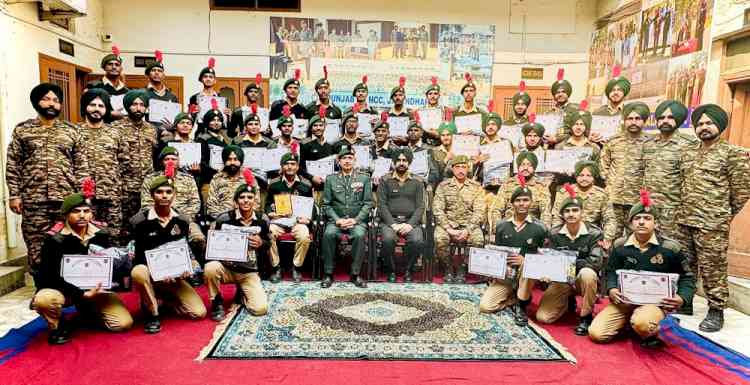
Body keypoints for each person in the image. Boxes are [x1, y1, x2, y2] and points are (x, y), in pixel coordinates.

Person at [674, 104, 750, 331]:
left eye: (709, 123)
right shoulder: (688, 152)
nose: (704, 127)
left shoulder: (733, 154)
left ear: (720, 125)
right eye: (700, 124)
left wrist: (720, 214)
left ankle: (716, 310)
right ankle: (685, 301)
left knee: (713, 268)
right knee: (685, 265)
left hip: (712, 223)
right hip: (685, 219)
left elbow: (742, 192)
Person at [589, 190, 694, 348]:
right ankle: (628, 323)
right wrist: (611, 289)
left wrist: (681, 298)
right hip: (625, 302)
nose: (642, 222)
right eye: (637, 218)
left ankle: (646, 330)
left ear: (656, 223)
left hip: (654, 303)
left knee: (643, 323)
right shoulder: (620, 246)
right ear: (631, 224)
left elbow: (687, 276)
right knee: (597, 334)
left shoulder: (670, 248)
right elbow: (610, 271)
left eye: (647, 218)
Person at [32, 188, 133, 344]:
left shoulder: (101, 234)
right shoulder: (54, 240)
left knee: (123, 323)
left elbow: (108, 263)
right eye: (76, 211)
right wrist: (80, 294)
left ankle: (88, 312)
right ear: (65, 214)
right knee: (44, 300)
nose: (82, 215)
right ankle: (57, 326)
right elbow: (48, 276)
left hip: (96, 289)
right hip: (65, 290)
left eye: (86, 211)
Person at [6, 83, 89, 274]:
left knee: (67, 242)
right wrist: (14, 195)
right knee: (36, 245)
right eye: (46, 99)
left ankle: (66, 288)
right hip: (34, 199)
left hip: (66, 200)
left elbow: (81, 165)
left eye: (56, 100)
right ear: (36, 102)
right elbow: (13, 164)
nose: (51, 104)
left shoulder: (71, 130)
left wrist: (83, 197)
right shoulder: (23, 130)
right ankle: (41, 288)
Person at [129, 171, 207, 334]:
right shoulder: (139, 221)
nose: (164, 196)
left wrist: (186, 269)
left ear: (174, 195)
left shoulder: (183, 220)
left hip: (175, 276)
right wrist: (158, 272)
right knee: (138, 271)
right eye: (159, 192)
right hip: (150, 274)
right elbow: (136, 256)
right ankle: (152, 313)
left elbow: (184, 249)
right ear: (152, 195)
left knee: (199, 313)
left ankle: (167, 301)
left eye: (168, 192)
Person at [532, 184, 605, 335]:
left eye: (575, 210)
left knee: (588, 274)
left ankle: (585, 316)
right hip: (561, 281)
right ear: (562, 215)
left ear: (582, 213)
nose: (571, 214)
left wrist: (567, 263)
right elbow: (549, 259)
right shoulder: (554, 234)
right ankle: (567, 300)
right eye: (567, 211)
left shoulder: (594, 233)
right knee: (543, 317)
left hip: (581, 280)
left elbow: (595, 263)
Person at [480, 175, 547, 326]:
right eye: (518, 200)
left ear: (531, 203)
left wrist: (525, 260)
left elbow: (543, 258)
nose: (522, 204)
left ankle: (522, 305)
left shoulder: (540, 228)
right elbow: (498, 253)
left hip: (526, 276)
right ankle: (513, 298)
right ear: (512, 204)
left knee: (528, 264)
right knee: (486, 307)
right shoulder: (502, 226)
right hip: (506, 276)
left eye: (525, 200)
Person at [206, 175, 269, 321]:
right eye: (242, 197)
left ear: (255, 201)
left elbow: (269, 242)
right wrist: (221, 255)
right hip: (226, 268)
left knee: (260, 309)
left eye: (249, 197)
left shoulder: (263, 219)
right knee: (210, 268)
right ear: (235, 202)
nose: (246, 200)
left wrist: (262, 243)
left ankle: (242, 293)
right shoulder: (223, 219)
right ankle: (216, 301)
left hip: (249, 270)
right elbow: (211, 246)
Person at [77, 89, 130, 243]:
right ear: (85, 107)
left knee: (113, 234)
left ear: (106, 109)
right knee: (85, 234)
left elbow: (124, 161)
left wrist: (113, 180)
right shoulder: (74, 132)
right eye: (92, 105)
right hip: (83, 195)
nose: (96, 109)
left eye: (101, 106)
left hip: (111, 193)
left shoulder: (115, 133)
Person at [642, 100, 699, 241]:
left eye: (670, 117)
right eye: (661, 118)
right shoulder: (648, 144)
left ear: (679, 119)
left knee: (671, 250)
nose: (665, 121)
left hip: (674, 210)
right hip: (649, 208)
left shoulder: (690, 144)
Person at [321, 145, 373, 288]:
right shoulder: (331, 179)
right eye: (344, 158)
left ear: (354, 160)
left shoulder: (364, 178)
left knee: (359, 235)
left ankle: (355, 274)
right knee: (328, 234)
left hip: (356, 221)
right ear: (338, 161)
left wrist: (355, 220)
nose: (347, 161)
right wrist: (337, 220)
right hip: (336, 220)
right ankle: (328, 273)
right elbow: (326, 205)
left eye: (350, 158)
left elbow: (368, 204)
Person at [432, 155, 485, 283]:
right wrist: (449, 229)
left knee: (478, 240)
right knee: (440, 239)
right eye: (457, 167)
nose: (461, 170)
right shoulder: (443, 186)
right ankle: (448, 267)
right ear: (452, 169)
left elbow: (479, 211)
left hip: (469, 224)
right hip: (448, 224)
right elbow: (438, 209)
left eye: (464, 167)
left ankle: (463, 267)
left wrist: (467, 230)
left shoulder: (476, 187)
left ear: (468, 169)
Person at [599, 102, 648, 239]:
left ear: (644, 121)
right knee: (612, 236)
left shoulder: (650, 143)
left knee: (637, 237)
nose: (633, 122)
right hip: (614, 199)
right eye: (630, 119)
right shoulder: (613, 141)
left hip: (638, 200)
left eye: (637, 119)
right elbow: (603, 167)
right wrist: (611, 185)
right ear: (624, 121)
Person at [266, 146, 314, 283]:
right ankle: (276, 267)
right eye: (286, 164)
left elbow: (312, 207)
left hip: (297, 222)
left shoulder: (306, 185)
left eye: (293, 164)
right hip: (279, 221)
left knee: (304, 236)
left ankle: (296, 267)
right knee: (269, 234)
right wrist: (271, 213)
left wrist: (308, 219)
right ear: (281, 167)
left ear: (298, 167)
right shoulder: (274, 184)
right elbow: (266, 205)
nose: (290, 167)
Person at [378, 148, 425, 282]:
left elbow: (421, 206)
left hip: (411, 222)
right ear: (393, 162)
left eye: (404, 160)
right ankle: (391, 270)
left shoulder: (417, 181)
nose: (401, 163)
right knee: (387, 240)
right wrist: (393, 224)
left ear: (409, 162)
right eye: (398, 160)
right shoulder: (385, 180)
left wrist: (410, 225)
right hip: (390, 221)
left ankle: (408, 270)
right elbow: (382, 205)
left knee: (417, 241)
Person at [115, 89, 157, 240]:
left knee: (146, 224)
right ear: (127, 106)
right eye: (134, 104)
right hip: (124, 186)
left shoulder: (151, 129)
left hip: (146, 185)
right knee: (125, 226)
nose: (138, 108)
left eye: (141, 104)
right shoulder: (116, 128)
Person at [552, 160, 616, 245]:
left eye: (588, 175)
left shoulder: (601, 195)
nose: (584, 179)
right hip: (568, 233)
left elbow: (610, 219)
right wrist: (557, 236)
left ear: (594, 177)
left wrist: (607, 238)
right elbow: (557, 217)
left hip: (592, 235)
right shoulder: (564, 193)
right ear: (576, 176)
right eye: (581, 175)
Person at [491, 151, 551, 232]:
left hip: (532, 228)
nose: (525, 168)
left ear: (534, 168)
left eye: (529, 165)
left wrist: (544, 232)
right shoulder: (508, 184)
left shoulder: (541, 187)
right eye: (523, 164)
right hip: (508, 227)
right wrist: (498, 229)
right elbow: (496, 209)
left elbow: (545, 213)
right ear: (518, 167)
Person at [474, 102, 515, 194]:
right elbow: (470, 166)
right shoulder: (478, 143)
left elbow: (512, 166)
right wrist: (478, 161)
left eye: (493, 124)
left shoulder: (506, 143)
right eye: (487, 124)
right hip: (482, 186)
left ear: (498, 126)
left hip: (503, 186)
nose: (490, 127)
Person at [206, 145, 253, 220]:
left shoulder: (248, 178)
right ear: (224, 161)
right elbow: (211, 205)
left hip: (246, 220)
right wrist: (224, 218)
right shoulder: (217, 179)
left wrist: (243, 218)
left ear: (241, 161)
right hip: (221, 219)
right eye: (229, 159)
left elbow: (256, 203)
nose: (232, 162)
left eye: (235, 159)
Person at [87, 46, 128, 120]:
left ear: (121, 68)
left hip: (123, 128)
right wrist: (110, 113)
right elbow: (87, 109)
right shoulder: (94, 86)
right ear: (104, 67)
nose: (114, 67)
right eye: (110, 64)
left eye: (117, 65)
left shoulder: (126, 90)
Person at [300, 106, 335, 194]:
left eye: (320, 125)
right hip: (310, 185)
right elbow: (300, 167)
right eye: (315, 125)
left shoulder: (330, 144)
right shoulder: (304, 144)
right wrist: (312, 177)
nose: (318, 128)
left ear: (325, 127)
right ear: (311, 128)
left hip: (327, 185)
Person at [188, 57, 230, 129]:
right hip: (201, 132)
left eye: (211, 77)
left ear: (214, 80)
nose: (208, 79)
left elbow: (226, 123)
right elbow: (190, 121)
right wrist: (192, 113)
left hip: (218, 132)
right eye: (205, 76)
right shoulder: (194, 98)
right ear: (201, 79)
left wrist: (229, 115)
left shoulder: (222, 99)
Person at [143, 50, 179, 132]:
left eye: (159, 71)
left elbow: (176, 118)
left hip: (168, 134)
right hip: (148, 134)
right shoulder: (142, 93)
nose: (156, 73)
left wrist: (173, 126)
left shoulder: (172, 96)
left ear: (163, 75)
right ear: (148, 74)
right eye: (153, 70)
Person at [546, 68, 580, 146]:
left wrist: (557, 139)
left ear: (568, 93)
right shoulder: (549, 113)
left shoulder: (576, 110)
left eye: (563, 92)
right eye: (557, 92)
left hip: (570, 146)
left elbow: (580, 130)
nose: (560, 94)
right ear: (554, 95)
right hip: (551, 147)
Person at [229, 74, 265, 139]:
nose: (253, 93)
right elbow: (230, 133)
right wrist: (238, 133)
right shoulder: (238, 111)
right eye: (251, 91)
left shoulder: (264, 112)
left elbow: (269, 133)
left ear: (259, 95)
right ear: (246, 94)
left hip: (260, 144)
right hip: (244, 143)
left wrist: (267, 131)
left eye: (256, 92)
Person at [418, 76, 447, 145]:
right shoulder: (420, 111)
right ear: (426, 96)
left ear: (439, 95)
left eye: (435, 93)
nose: (433, 96)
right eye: (430, 94)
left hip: (439, 143)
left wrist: (439, 133)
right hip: (423, 144)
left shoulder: (445, 110)